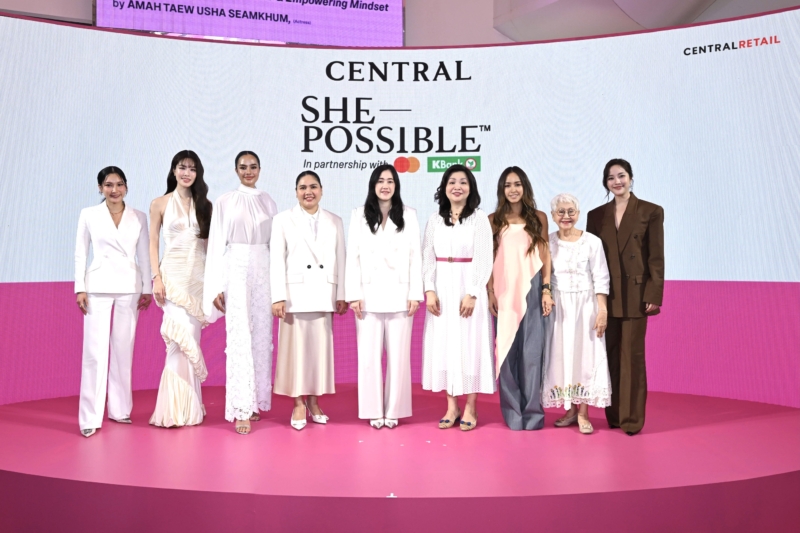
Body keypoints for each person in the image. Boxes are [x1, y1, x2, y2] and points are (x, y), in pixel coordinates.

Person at [586, 159, 664, 435]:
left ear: (631, 178)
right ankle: (615, 415)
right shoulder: (596, 215)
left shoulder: (651, 211)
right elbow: (591, 260)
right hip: (606, 296)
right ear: (605, 183)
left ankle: (632, 419)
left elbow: (656, 256)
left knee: (632, 357)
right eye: (611, 178)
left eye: (621, 176)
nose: (617, 181)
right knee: (610, 356)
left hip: (636, 294)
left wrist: (653, 293)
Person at [74, 166, 152, 437]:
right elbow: (81, 252)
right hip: (97, 286)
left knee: (123, 349)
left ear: (126, 187)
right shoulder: (89, 214)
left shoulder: (139, 216)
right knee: (94, 353)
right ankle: (89, 418)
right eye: (108, 185)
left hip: (129, 287)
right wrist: (80, 288)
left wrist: (147, 288)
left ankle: (120, 410)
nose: (114, 189)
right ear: (100, 188)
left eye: (119, 184)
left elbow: (144, 255)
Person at [203, 151, 278, 435]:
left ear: (260, 169)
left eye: (253, 166)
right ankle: (241, 408)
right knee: (239, 336)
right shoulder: (225, 201)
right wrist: (214, 286)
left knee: (261, 334)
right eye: (243, 167)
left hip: (263, 268)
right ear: (235, 170)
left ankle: (256, 400)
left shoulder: (268, 200)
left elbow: (275, 244)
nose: (249, 171)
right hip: (234, 267)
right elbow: (215, 246)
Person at [345, 164, 423, 429]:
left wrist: (415, 293)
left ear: (396, 185)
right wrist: (353, 294)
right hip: (367, 296)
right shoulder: (358, 215)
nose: (385, 185)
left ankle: (394, 410)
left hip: (401, 295)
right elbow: (352, 257)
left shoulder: (409, 214)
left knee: (399, 358)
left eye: (390, 181)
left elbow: (415, 256)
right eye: (380, 181)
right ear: (373, 185)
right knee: (368, 358)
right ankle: (372, 410)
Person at [271, 171, 347, 430]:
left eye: (313, 187)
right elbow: (276, 261)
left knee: (318, 354)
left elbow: (341, 258)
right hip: (294, 296)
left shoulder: (335, 221)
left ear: (321, 190)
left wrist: (341, 294)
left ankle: (314, 402)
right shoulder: (283, 220)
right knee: (295, 354)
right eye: (303, 187)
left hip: (323, 294)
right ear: (296, 192)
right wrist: (278, 297)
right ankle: (298, 404)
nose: (308, 192)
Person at [421, 164, 495, 431]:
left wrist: (473, 292)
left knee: (471, 344)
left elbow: (484, 257)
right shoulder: (434, 220)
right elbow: (427, 256)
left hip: (468, 288)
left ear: (471, 188)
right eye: (452, 182)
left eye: (463, 182)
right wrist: (429, 289)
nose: (457, 187)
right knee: (445, 344)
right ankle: (451, 406)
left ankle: (471, 406)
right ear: (444, 187)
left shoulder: (479, 218)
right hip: (442, 287)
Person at [148, 150, 213, 428]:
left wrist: (214, 285)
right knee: (178, 340)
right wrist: (156, 278)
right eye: (182, 167)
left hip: (197, 281)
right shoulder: (159, 203)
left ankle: (190, 405)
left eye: (192, 168)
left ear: (198, 173)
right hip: (172, 280)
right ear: (174, 170)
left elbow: (209, 248)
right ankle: (173, 409)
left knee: (191, 341)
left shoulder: (206, 206)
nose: (187, 173)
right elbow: (153, 243)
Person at [487, 167, 552, 431]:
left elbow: (545, 255)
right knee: (505, 353)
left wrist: (546, 289)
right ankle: (513, 413)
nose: (512, 189)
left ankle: (533, 413)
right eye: (507, 185)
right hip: (503, 292)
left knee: (532, 353)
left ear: (525, 187)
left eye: (517, 184)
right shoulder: (493, 220)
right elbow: (488, 259)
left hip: (532, 290)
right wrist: (490, 292)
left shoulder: (539, 217)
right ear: (501, 190)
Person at [542, 193, 611, 435]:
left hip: (586, 306)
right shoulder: (548, 242)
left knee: (585, 356)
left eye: (571, 211)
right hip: (559, 307)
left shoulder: (592, 242)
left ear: (578, 214)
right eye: (560, 212)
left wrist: (602, 310)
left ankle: (583, 413)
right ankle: (570, 410)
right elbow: (544, 276)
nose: (566, 216)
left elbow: (601, 277)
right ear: (552, 216)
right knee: (561, 357)